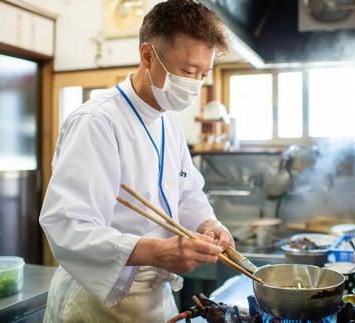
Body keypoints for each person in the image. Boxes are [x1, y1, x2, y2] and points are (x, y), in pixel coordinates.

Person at [39, 1, 233, 321]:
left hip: (154, 297)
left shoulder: (168, 119)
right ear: (147, 56)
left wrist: (207, 224)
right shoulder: (97, 122)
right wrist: (159, 252)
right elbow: (68, 226)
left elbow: (186, 190)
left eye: (203, 74)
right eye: (187, 71)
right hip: (98, 300)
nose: (195, 84)